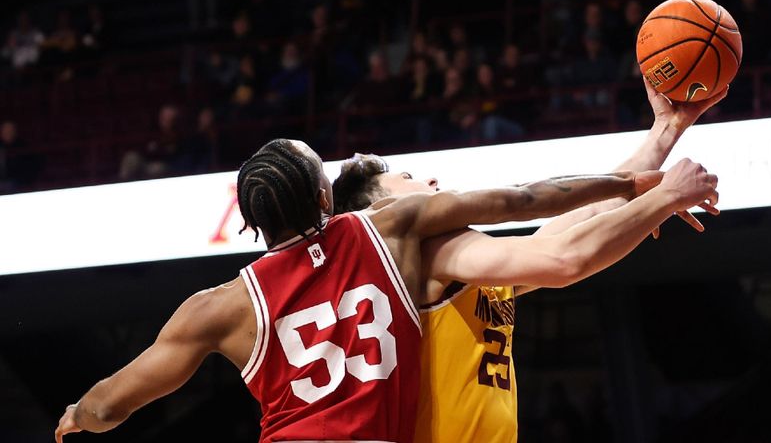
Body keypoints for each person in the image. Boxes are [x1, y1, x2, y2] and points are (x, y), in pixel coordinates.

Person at [55, 137, 717, 442]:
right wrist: (633, 187)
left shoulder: (218, 307)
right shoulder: (388, 234)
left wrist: (78, 416)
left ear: (251, 220)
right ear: (326, 198)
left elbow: (115, 401)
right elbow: (530, 199)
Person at [331, 80, 726, 443]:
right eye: (408, 177)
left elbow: (583, 221)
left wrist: (667, 130)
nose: (431, 181)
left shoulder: (462, 263)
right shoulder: (427, 256)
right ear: (384, 210)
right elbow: (566, 259)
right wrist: (663, 198)